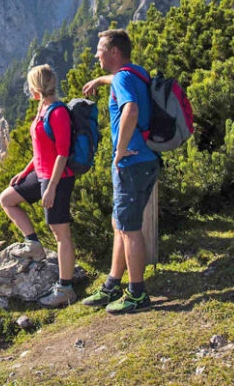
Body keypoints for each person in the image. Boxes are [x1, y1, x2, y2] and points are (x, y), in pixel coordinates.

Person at [79, 29, 158, 314]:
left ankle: (137, 293)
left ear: (114, 52)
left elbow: (131, 110)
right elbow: (121, 81)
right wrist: (100, 79)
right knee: (119, 224)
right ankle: (113, 282)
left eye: (100, 49)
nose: (95, 53)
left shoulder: (124, 78)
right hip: (147, 160)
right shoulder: (136, 73)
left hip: (131, 163)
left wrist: (120, 149)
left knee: (130, 229)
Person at [0, 64, 78, 307]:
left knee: (61, 234)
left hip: (57, 178)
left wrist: (52, 187)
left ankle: (66, 288)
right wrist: (24, 172)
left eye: (30, 84)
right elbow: (41, 149)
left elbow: (62, 154)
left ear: (36, 87)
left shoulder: (58, 112)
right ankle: (33, 244)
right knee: (7, 199)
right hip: (40, 173)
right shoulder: (42, 109)